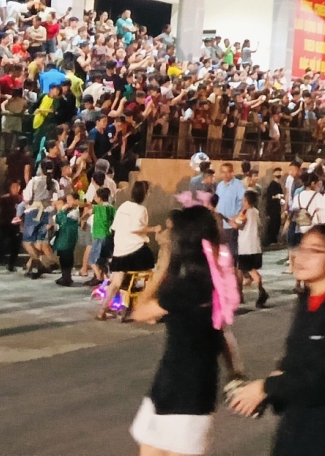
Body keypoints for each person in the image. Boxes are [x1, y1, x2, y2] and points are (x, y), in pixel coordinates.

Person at [228, 223, 325, 456]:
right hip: (300, 429)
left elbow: (323, 375)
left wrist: (267, 387)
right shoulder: (309, 299)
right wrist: (273, 386)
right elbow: (296, 360)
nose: (302, 257)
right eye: (301, 248)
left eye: (315, 251)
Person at [129, 205, 229, 456]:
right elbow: (222, 333)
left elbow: (140, 312)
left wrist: (164, 262)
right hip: (184, 391)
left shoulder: (187, 288)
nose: (165, 234)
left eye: (170, 231)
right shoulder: (212, 282)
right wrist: (235, 372)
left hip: (181, 395)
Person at [101, 180, 160, 320]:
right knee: (152, 271)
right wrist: (154, 229)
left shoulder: (123, 206)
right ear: (145, 193)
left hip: (119, 251)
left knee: (116, 282)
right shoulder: (141, 209)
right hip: (135, 252)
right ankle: (138, 306)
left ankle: (102, 310)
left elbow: (114, 228)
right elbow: (136, 229)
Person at [235, 188, 269, 308]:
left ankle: (262, 292)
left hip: (246, 247)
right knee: (249, 270)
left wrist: (226, 218)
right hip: (255, 246)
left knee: (251, 271)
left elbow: (238, 225)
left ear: (246, 201)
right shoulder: (256, 212)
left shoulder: (244, 213)